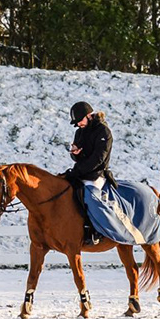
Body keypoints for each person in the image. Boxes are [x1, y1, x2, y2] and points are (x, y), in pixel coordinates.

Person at [63, 100, 113, 243]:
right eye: (77, 122)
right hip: (81, 172)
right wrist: (75, 154)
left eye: (80, 120)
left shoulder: (103, 131)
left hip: (97, 174)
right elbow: (77, 157)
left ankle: (96, 231)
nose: (79, 124)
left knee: (92, 196)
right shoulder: (79, 132)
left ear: (89, 116)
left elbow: (98, 159)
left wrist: (78, 170)